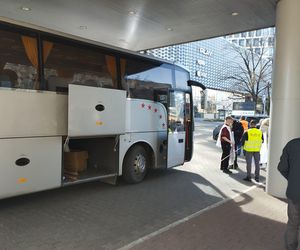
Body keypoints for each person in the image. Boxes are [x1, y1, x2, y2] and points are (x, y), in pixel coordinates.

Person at [278, 138, 300, 250]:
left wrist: (292, 180)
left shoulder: (292, 144)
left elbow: (282, 167)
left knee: (293, 224)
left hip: (294, 193)